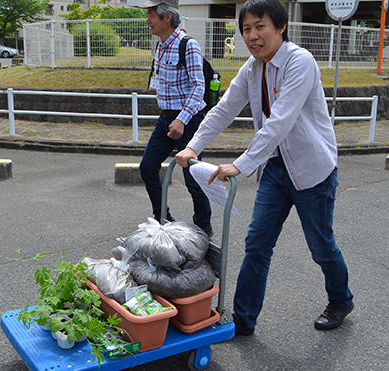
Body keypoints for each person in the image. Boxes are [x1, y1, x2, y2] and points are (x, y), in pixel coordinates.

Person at [176, 0, 354, 335]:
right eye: (246, 29)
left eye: (260, 26)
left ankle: (341, 299)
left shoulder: (300, 62)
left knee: (321, 246)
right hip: (275, 169)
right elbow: (224, 109)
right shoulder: (252, 68)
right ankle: (243, 319)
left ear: (280, 27)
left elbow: (280, 122)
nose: (253, 36)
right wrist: (192, 146)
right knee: (257, 244)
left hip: (311, 171)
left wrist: (239, 165)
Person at [136, 0, 212, 237]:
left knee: (193, 177)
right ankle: (163, 218)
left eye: (151, 15)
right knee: (148, 167)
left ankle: (202, 227)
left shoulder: (188, 45)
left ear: (167, 17)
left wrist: (182, 119)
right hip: (166, 119)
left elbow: (200, 86)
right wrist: (171, 119)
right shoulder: (161, 46)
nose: (148, 20)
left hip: (188, 120)